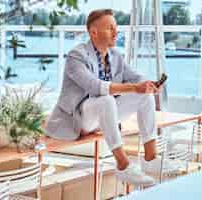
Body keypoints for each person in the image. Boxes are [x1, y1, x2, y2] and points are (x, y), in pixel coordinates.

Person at [45, 9, 169, 185]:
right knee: (106, 99)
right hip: (79, 119)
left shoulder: (115, 55)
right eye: (110, 28)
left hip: (103, 115)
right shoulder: (76, 55)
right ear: (93, 32)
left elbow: (135, 77)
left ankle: (150, 159)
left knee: (145, 97)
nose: (116, 32)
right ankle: (123, 166)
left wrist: (149, 85)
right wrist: (134, 87)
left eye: (115, 28)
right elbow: (94, 86)